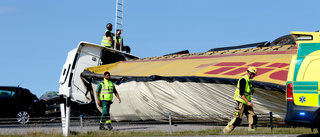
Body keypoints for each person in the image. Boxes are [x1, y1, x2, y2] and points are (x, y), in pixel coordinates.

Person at [223, 67, 258, 134]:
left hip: (247, 102)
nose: (254, 76)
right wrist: (248, 102)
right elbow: (241, 93)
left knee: (253, 117)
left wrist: (248, 102)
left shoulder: (248, 81)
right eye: (253, 74)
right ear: (250, 73)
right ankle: (225, 132)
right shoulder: (243, 80)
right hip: (241, 102)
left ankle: (252, 133)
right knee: (237, 119)